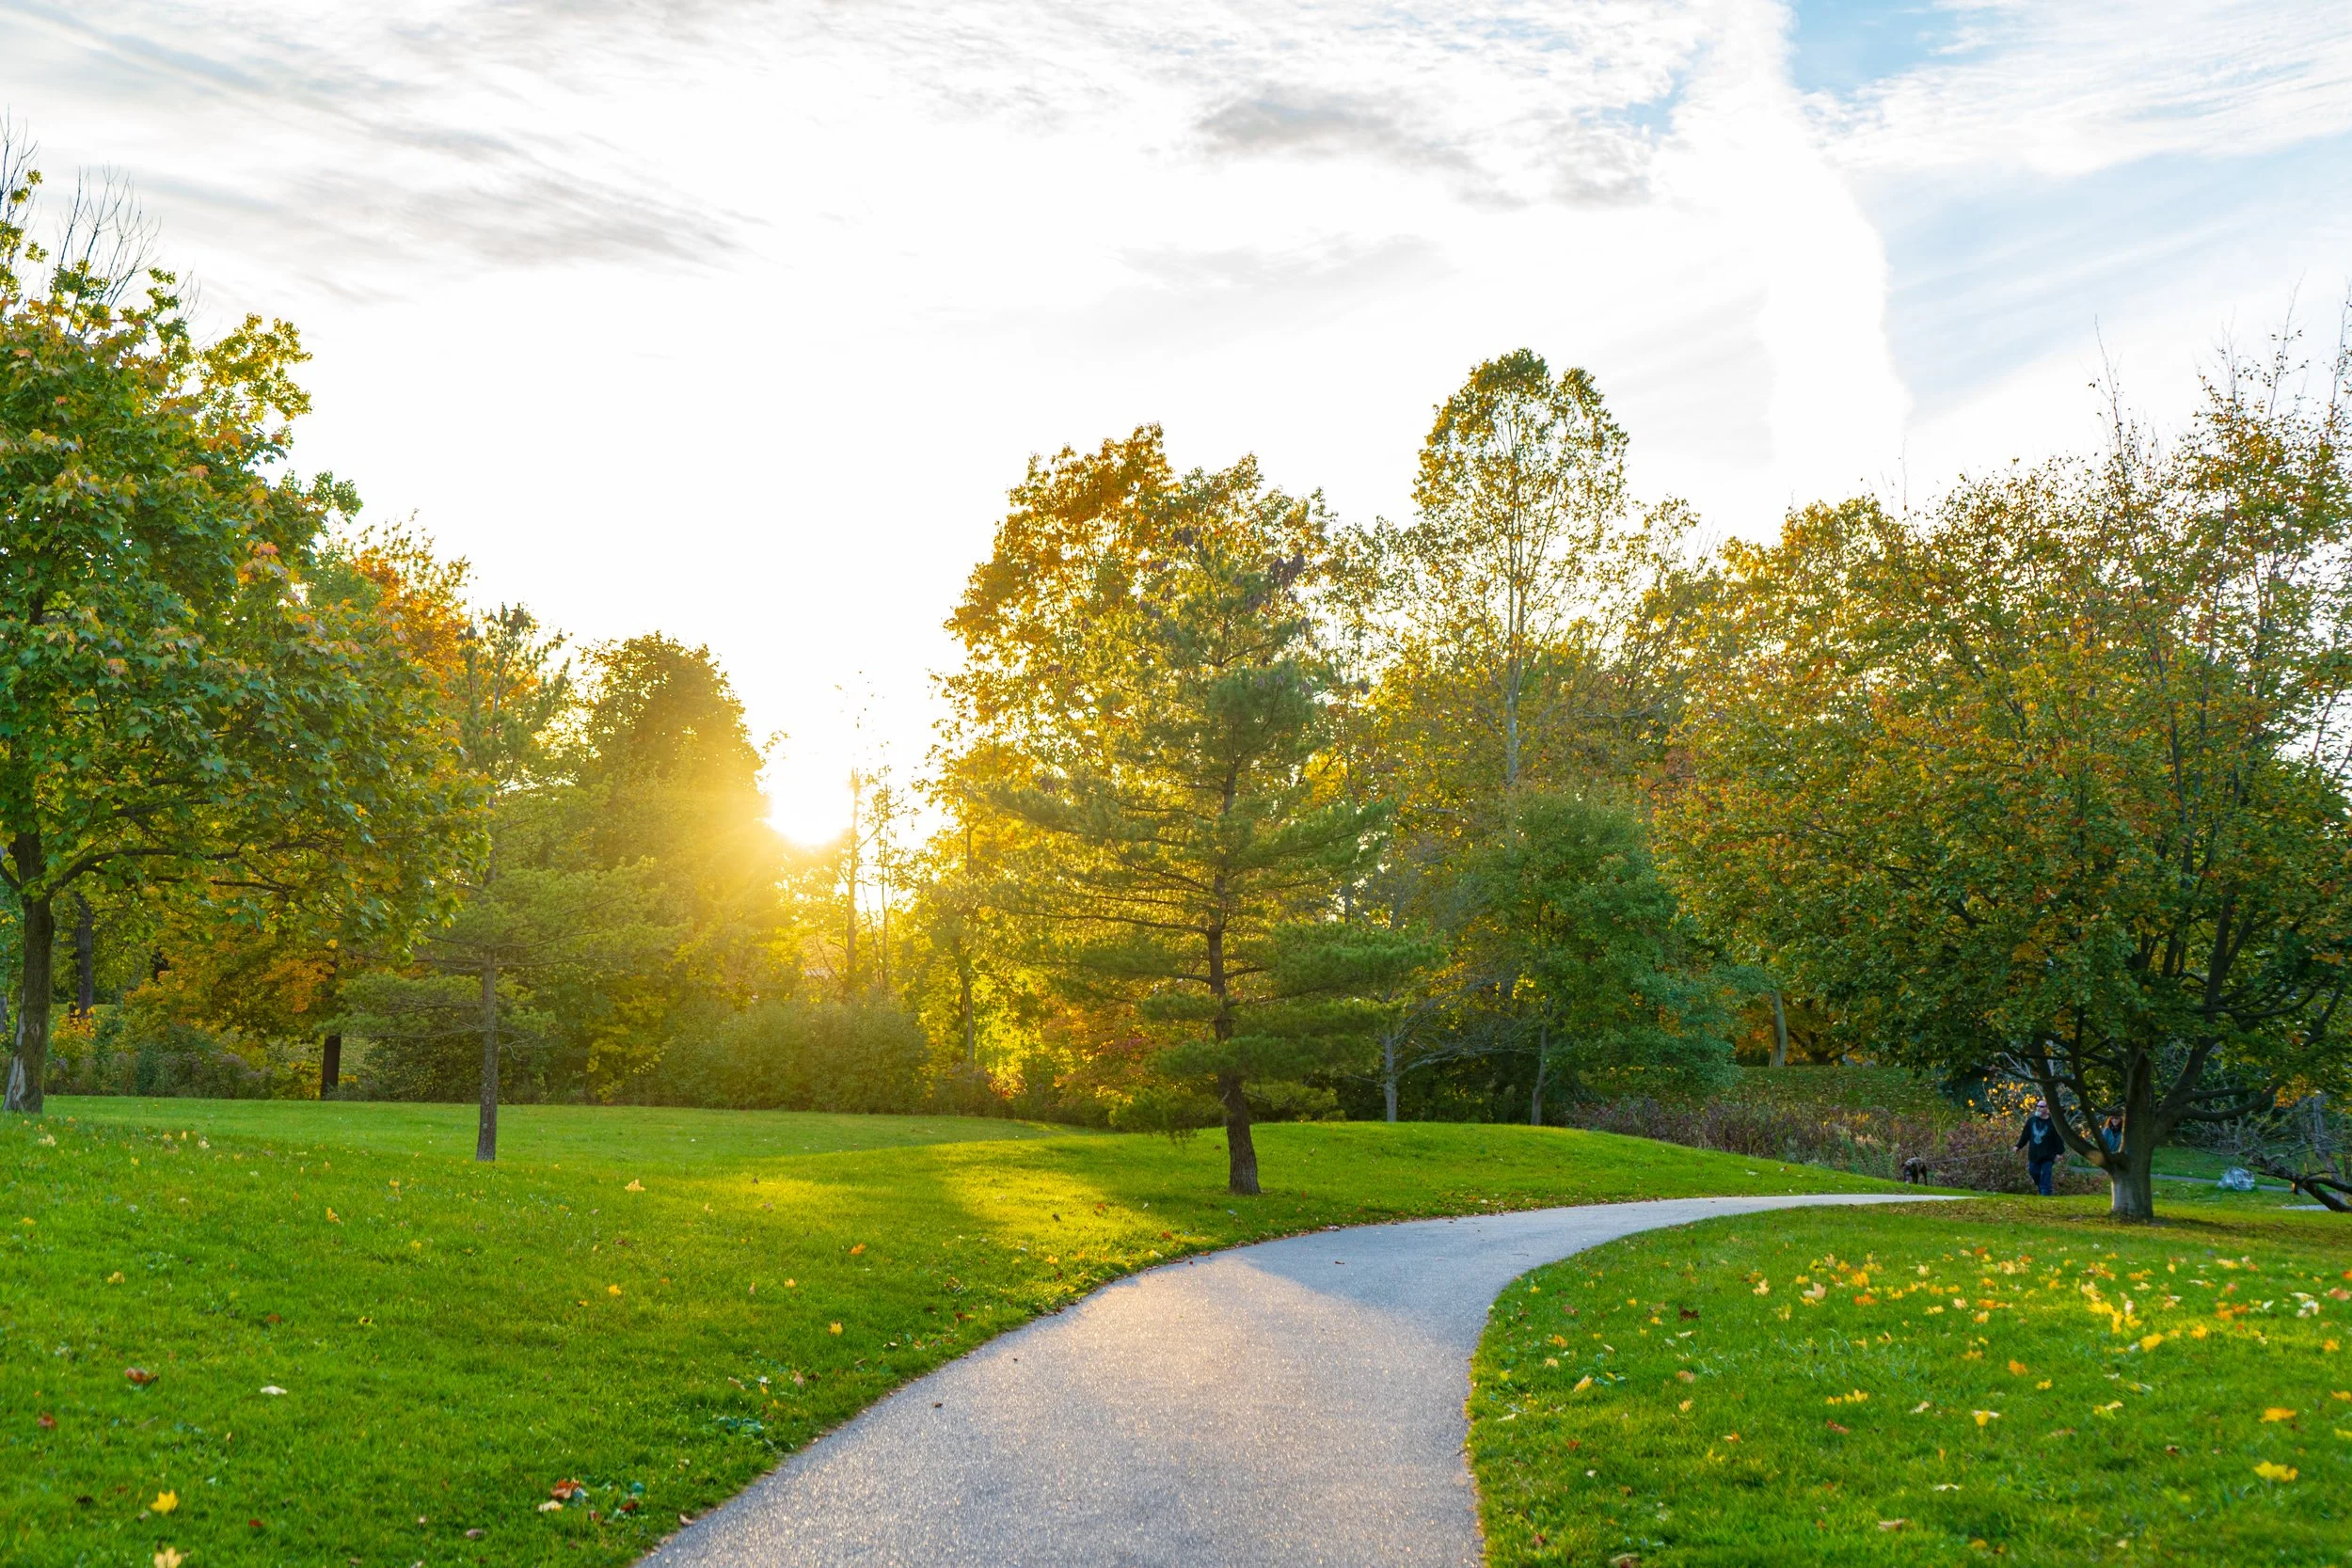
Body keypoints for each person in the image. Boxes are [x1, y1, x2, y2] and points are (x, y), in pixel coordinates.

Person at [2017, 1100, 2066, 1196]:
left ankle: (2046, 1193)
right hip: (2034, 1154)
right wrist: (2018, 1146)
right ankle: (2041, 1188)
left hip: (2048, 1155)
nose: (2038, 1108)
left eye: (2041, 1106)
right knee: (2033, 1172)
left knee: (2046, 1174)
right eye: (2037, 1106)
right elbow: (2025, 1135)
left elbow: (2058, 1139)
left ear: (2047, 1109)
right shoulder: (2031, 1121)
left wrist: (2060, 1153)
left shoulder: (2053, 1123)